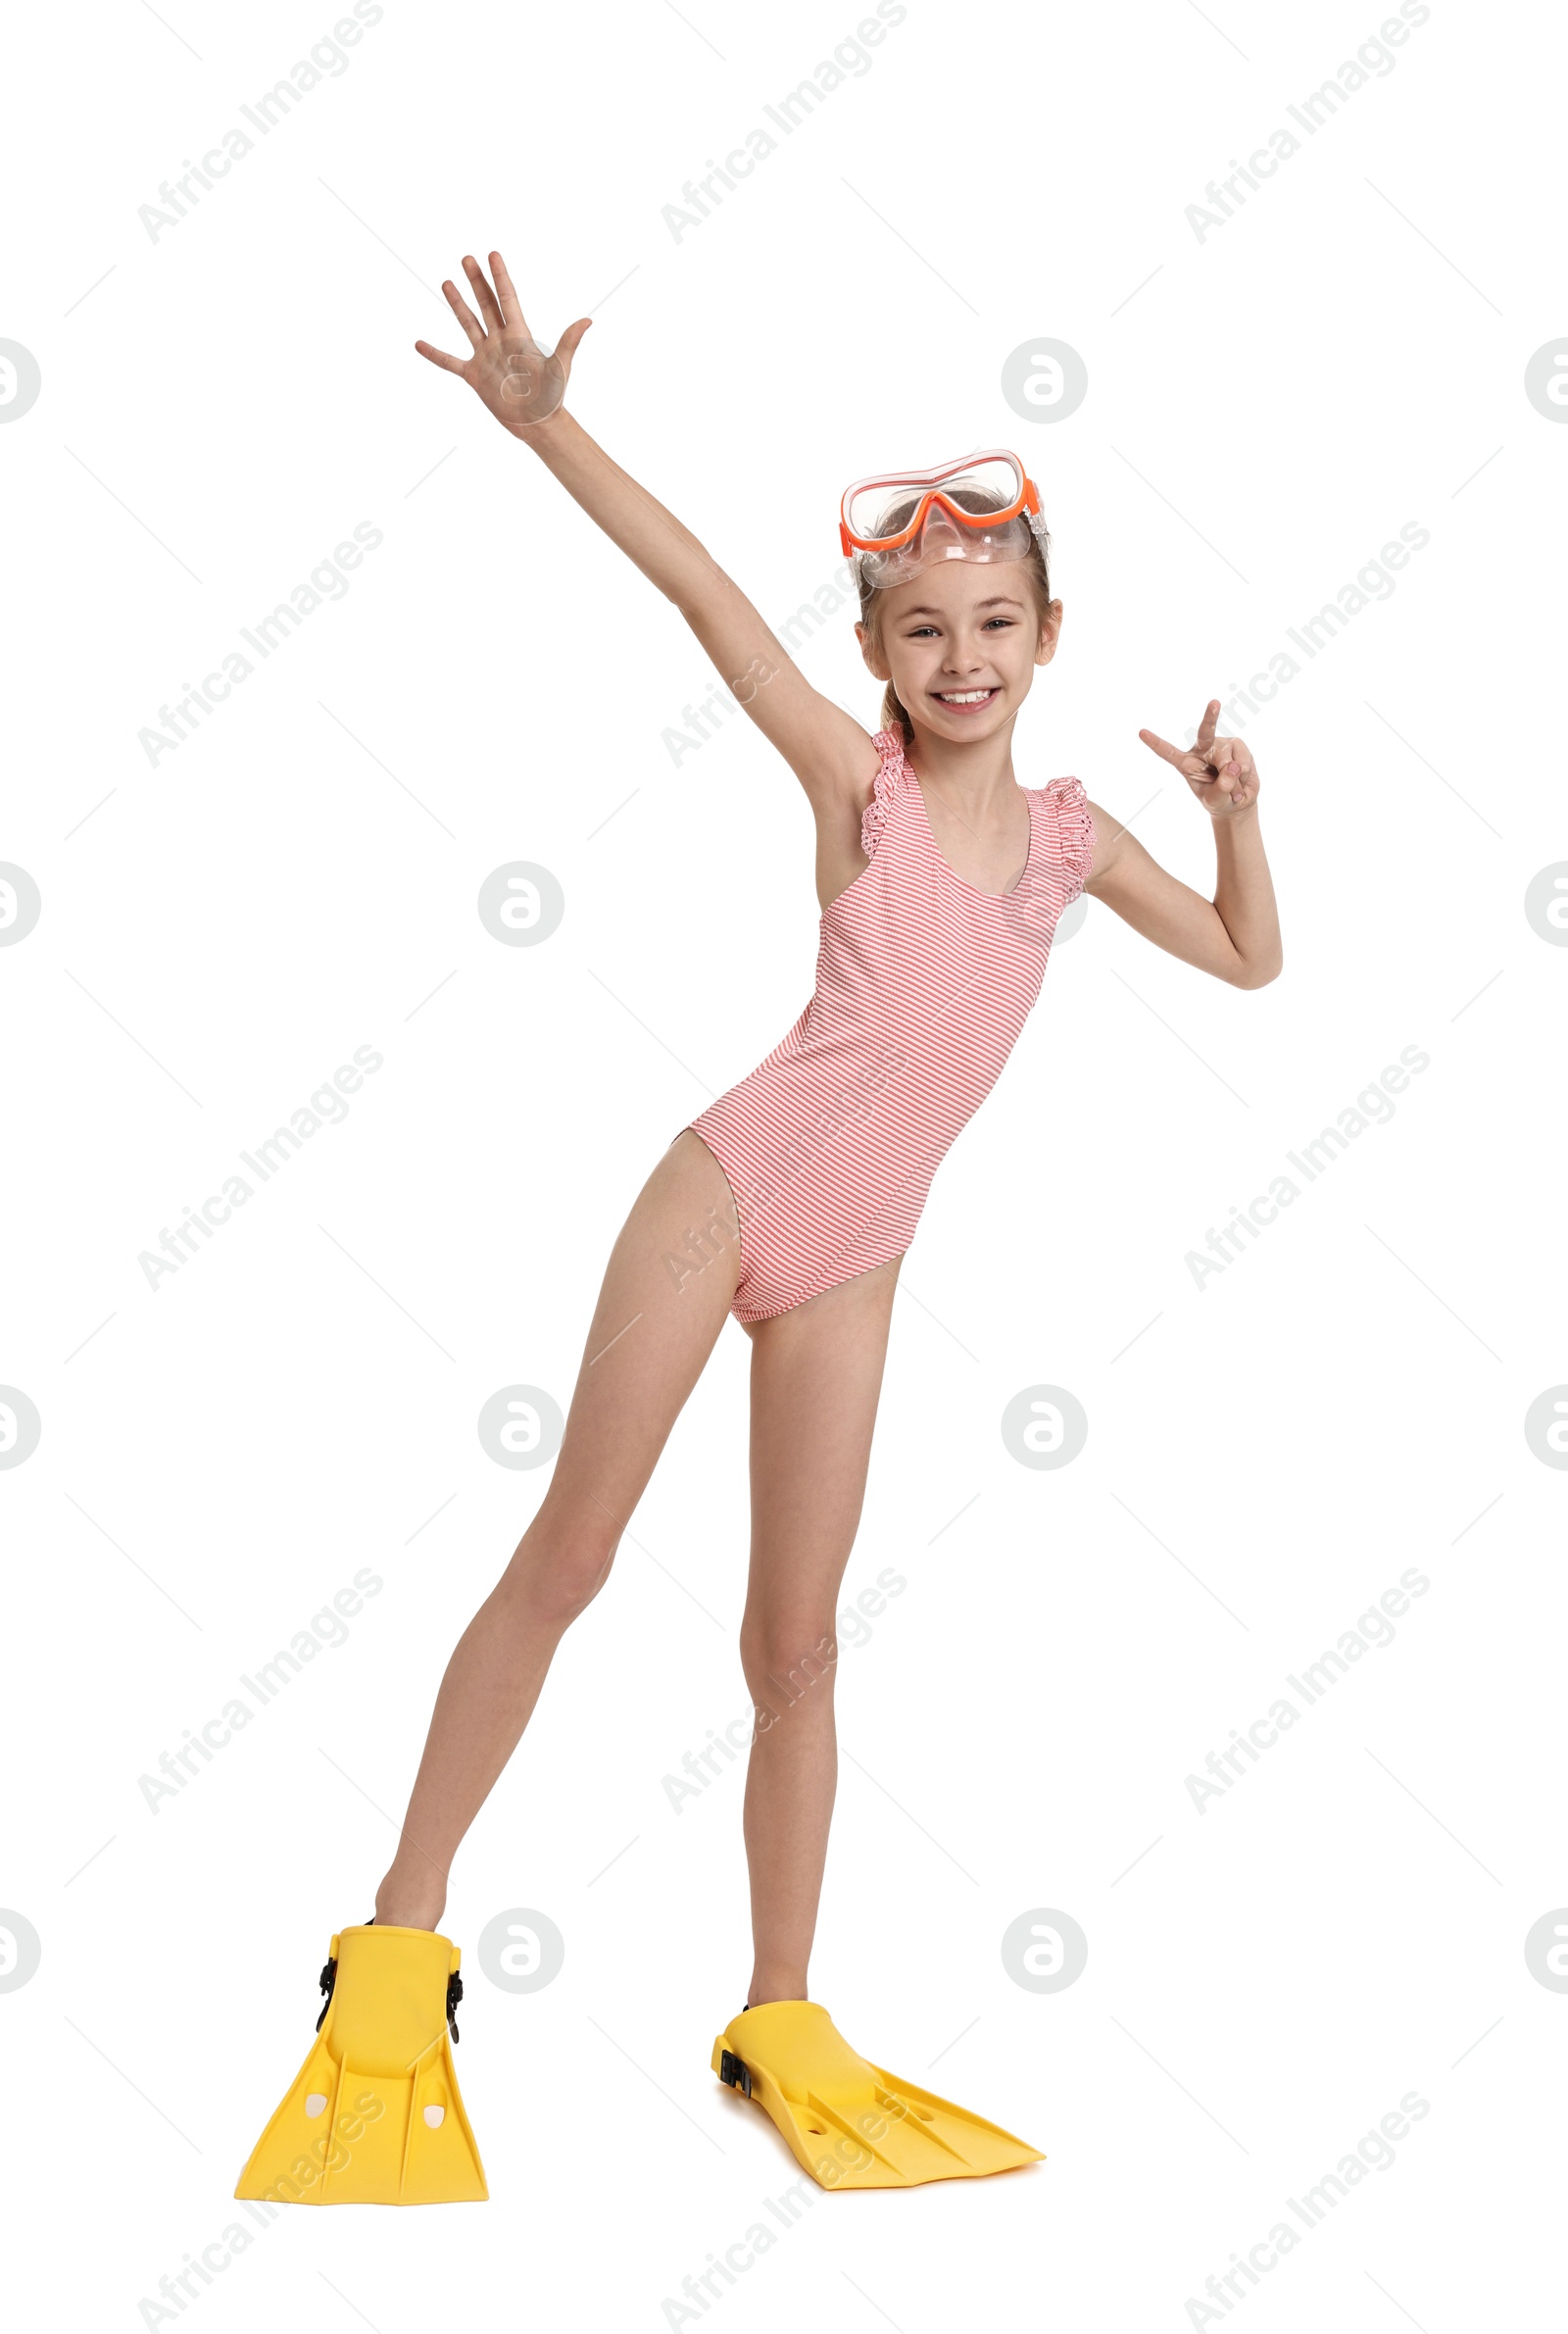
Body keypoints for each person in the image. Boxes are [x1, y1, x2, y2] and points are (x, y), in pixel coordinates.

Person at [236, 252, 1283, 2205]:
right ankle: (393, 1937)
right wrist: (550, 426)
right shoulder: (857, 782)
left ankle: (774, 2012)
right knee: (569, 1556)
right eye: (916, 629)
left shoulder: (1071, 840)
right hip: (719, 1197)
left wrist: (1231, 811)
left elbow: (1243, 961)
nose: (955, 657)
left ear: (1047, 638)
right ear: (879, 653)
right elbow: (709, 598)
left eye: (990, 623)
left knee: (793, 1648)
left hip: (859, 1268)